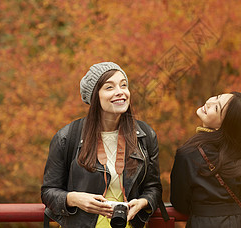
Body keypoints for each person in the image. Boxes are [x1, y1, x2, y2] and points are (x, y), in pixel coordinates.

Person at [42, 62, 162, 228]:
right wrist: (74, 199)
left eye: (124, 85)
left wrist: (143, 202)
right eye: (109, 87)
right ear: (94, 96)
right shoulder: (67, 137)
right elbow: (48, 192)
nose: (120, 92)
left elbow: (153, 188)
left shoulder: (145, 135)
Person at [170, 92, 241, 228]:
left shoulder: (188, 154)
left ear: (224, 125)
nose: (209, 102)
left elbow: (180, 204)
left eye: (216, 108)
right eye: (217, 97)